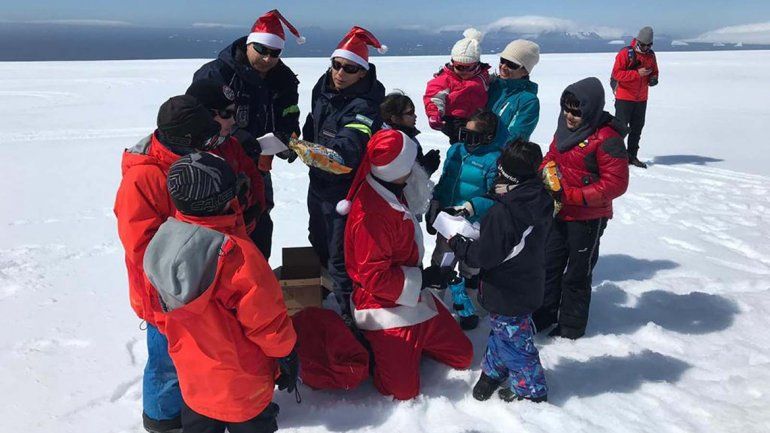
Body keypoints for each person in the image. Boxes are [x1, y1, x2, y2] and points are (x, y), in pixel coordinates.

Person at [144, 152, 298, 433]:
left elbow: (159, 313)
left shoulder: (161, 243)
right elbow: (267, 323)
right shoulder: (239, 256)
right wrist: (286, 353)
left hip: (194, 378)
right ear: (227, 199)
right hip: (243, 383)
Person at [114, 95, 224, 433]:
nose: (211, 146)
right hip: (162, 292)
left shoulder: (182, 161)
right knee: (165, 360)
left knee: (188, 356)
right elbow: (142, 249)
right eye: (206, 141)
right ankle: (161, 419)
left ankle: (191, 406)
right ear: (183, 140)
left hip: (187, 284)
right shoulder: (144, 178)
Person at [337, 128, 473, 400]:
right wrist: (423, 279)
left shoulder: (392, 184)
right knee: (403, 391)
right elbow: (374, 277)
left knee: (464, 356)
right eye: (410, 162)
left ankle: (411, 348)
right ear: (396, 168)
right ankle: (376, 348)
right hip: (382, 305)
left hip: (414, 298)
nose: (416, 167)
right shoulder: (371, 219)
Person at [193, 9, 304, 259]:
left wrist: (289, 136)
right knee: (222, 226)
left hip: (259, 165)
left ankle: (258, 279)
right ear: (248, 44)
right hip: (219, 166)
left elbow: (289, 111)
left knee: (260, 218)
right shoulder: (216, 74)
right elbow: (195, 119)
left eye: (274, 52)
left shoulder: (283, 80)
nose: (267, 58)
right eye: (261, 50)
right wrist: (238, 136)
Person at [449, 140, 552, 403]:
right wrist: (476, 205)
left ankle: (531, 390)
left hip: (507, 290)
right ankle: (494, 370)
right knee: (503, 331)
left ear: (506, 173)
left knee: (517, 343)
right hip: (527, 281)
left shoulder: (505, 215)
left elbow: (485, 256)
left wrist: (457, 242)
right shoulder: (538, 195)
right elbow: (509, 199)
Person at [532, 77, 630, 340]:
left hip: (587, 218)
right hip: (559, 211)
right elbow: (551, 156)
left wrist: (571, 195)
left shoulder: (607, 139)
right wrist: (545, 172)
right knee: (549, 264)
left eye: (577, 111)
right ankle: (543, 314)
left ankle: (571, 327)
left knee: (577, 272)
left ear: (591, 110)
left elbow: (616, 184)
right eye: (566, 108)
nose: (570, 116)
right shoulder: (563, 130)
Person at [301, 26, 386, 319]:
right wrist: (300, 142)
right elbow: (313, 123)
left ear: (362, 73)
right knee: (318, 240)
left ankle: (350, 316)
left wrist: (315, 153)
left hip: (344, 190)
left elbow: (351, 143)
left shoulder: (365, 106)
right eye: (336, 65)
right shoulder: (323, 88)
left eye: (349, 69)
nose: (340, 73)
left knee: (341, 255)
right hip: (317, 182)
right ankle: (320, 299)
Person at [426, 110, 500, 330]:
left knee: (470, 265)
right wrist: (436, 202)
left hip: (473, 223)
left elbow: (494, 195)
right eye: (464, 134)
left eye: (474, 137)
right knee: (442, 259)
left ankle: (471, 303)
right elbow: (446, 178)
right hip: (448, 218)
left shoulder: (493, 158)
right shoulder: (456, 150)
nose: (468, 141)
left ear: (487, 137)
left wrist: (470, 208)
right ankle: (435, 301)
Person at [185, 79, 266, 236]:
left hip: (240, 238)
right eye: (226, 114)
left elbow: (253, 178)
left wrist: (255, 213)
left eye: (233, 113)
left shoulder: (230, 144)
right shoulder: (175, 161)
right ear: (204, 114)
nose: (233, 121)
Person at [423, 28, 490, 143]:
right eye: (459, 67)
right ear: (452, 63)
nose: (464, 71)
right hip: (453, 119)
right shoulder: (445, 79)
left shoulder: (482, 77)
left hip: (477, 117)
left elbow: (489, 85)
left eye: (469, 67)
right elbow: (434, 97)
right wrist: (434, 114)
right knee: (461, 143)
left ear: (477, 65)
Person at [611, 26, 659, 169]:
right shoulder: (626, 53)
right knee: (620, 129)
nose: (645, 48)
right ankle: (615, 157)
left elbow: (655, 71)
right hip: (624, 97)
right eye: (643, 45)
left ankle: (632, 156)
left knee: (637, 128)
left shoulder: (651, 55)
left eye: (649, 45)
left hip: (641, 98)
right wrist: (637, 74)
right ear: (638, 41)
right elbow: (617, 74)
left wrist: (653, 78)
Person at [487, 39, 541, 149]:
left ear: (525, 71)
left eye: (511, 64)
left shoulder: (528, 101)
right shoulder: (489, 86)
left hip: (499, 160)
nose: (503, 67)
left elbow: (516, 138)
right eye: (503, 60)